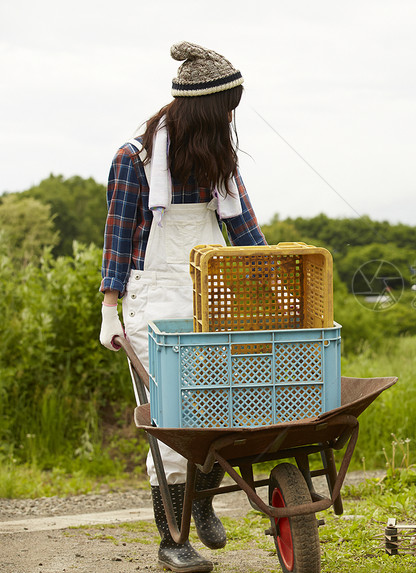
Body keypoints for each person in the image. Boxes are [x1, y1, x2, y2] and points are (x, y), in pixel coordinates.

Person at [98, 42, 266, 573]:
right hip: (153, 298)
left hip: (210, 293)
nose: (229, 124)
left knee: (227, 401)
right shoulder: (136, 159)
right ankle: (173, 538)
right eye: (224, 113)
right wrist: (109, 309)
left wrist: (273, 280)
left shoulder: (217, 160)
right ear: (200, 112)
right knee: (171, 420)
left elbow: (245, 231)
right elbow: (119, 238)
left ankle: (202, 497)